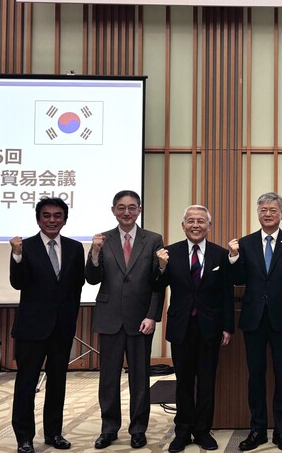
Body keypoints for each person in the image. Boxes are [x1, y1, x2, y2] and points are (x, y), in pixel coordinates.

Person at [85, 190, 166, 450]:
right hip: (109, 317)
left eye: (132, 207)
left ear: (139, 210)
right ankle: (108, 429)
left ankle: (138, 429)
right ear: (113, 211)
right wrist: (94, 253)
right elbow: (92, 279)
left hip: (140, 319)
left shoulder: (152, 239)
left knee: (139, 378)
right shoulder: (102, 239)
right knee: (108, 378)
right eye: (121, 208)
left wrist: (152, 315)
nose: (127, 212)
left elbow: (158, 283)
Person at [227, 192, 282, 452]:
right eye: (263, 210)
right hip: (254, 319)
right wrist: (233, 257)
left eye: (273, 210)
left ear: (281, 214)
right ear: (257, 213)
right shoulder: (245, 243)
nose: (268, 214)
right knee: (255, 376)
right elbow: (238, 279)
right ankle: (257, 430)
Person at [155, 205, 235, 453]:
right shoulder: (169, 253)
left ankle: (202, 430)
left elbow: (226, 294)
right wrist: (160, 267)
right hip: (181, 326)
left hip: (210, 327)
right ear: (183, 226)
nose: (195, 225)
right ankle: (182, 431)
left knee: (207, 382)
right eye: (191, 221)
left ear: (209, 226)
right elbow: (157, 286)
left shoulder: (220, 255)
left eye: (201, 221)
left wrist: (228, 327)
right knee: (184, 382)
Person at [9, 197, 85, 453]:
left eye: (57, 216)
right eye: (46, 215)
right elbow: (17, 283)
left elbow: (76, 287)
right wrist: (16, 256)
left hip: (62, 328)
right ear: (38, 219)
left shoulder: (75, 248)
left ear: (65, 219)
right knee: (26, 383)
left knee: (58, 383)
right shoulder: (24, 247)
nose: (52, 220)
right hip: (31, 328)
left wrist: (70, 318)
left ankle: (54, 432)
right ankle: (24, 437)